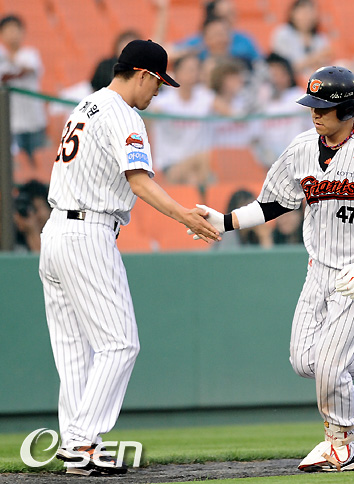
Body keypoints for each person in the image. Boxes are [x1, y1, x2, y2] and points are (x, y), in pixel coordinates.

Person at [189, 66, 354, 472]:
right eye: (311, 105)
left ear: (347, 109)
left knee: (330, 366)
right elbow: (275, 202)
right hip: (320, 268)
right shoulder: (301, 147)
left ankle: (341, 444)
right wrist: (224, 222)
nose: (314, 113)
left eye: (323, 107)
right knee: (305, 361)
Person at [39, 39, 220, 477]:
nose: (158, 91)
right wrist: (184, 216)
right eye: (157, 83)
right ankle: (83, 442)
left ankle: (77, 445)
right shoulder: (123, 114)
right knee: (120, 344)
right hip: (88, 233)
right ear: (142, 74)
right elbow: (138, 181)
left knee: (75, 351)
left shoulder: (85, 106)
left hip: (56, 232)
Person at [149, 53, 214, 186]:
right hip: (169, 166)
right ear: (177, 72)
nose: (194, 73)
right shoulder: (163, 101)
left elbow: (232, 113)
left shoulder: (204, 96)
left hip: (195, 167)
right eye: (190, 69)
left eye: (197, 69)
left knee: (193, 179)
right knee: (204, 158)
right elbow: (146, 123)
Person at [0, 15, 47, 166]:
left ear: (22, 32)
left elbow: (29, 69)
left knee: (40, 163)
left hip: (35, 122)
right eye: (8, 30)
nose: (12, 34)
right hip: (11, 124)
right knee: (16, 166)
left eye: (15, 30)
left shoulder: (30, 54)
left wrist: (8, 57)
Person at [270, 0, 331, 81]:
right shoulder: (283, 34)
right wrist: (315, 58)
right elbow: (285, 69)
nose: (307, 17)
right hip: (291, 83)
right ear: (293, 13)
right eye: (303, 13)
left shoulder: (320, 38)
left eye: (310, 13)